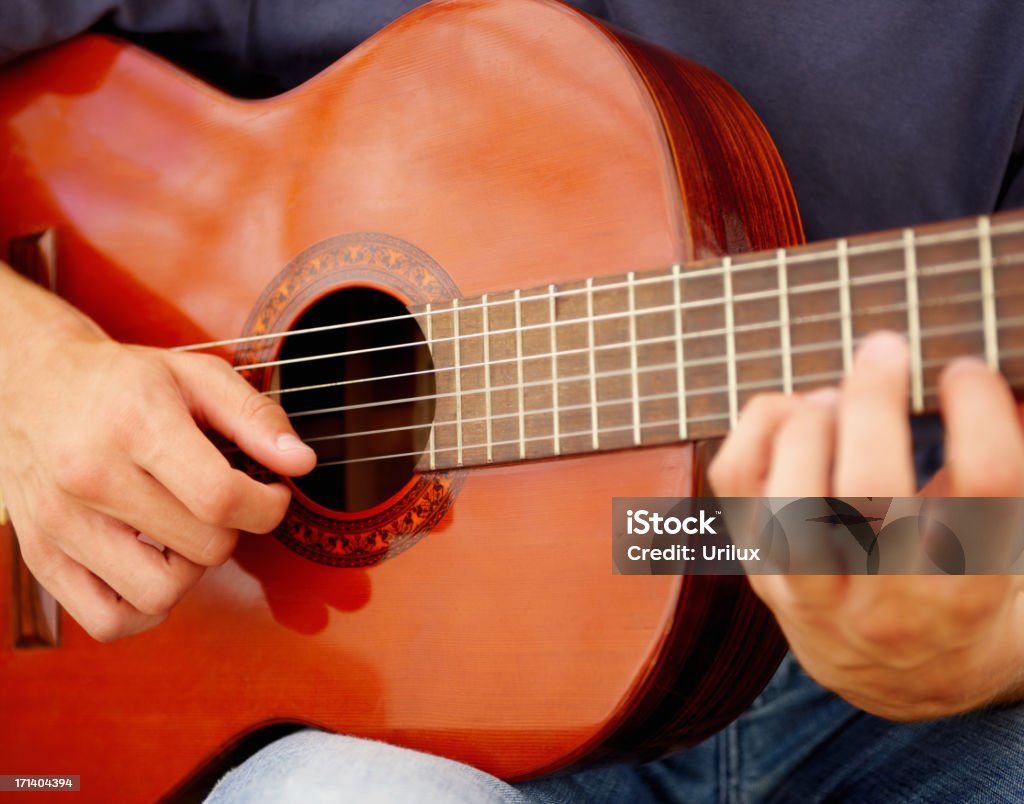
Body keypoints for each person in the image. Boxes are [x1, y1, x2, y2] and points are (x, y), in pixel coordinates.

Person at [2, 1, 1024, 800]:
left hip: (809, 582)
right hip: (384, 719)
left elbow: (991, 550)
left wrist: (966, 653)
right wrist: (33, 370)